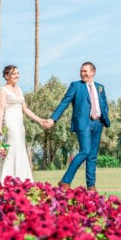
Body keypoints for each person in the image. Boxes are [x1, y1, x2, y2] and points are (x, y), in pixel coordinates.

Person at [43, 62, 110, 191]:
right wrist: (53, 119)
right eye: (81, 71)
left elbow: (104, 104)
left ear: (93, 72)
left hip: (98, 123)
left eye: (85, 71)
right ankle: (65, 181)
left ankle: (91, 187)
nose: (82, 73)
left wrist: (104, 116)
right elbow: (64, 103)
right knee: (85, 151)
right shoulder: (76, 86)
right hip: (83, 123)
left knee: (92, 156)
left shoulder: (100, 87)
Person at [0, 65, 47, 183]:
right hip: (9, 122)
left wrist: (40, 120)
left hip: (19, 124)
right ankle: (5, 178)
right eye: (14, 74)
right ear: (7, 76)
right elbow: (1, 109)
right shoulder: (3, 91)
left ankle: (21, 178)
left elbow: (26, 109)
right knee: (11, 148)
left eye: (18, 73)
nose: (17, 76)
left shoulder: (19, 90)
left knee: (19, 148)